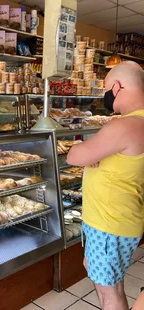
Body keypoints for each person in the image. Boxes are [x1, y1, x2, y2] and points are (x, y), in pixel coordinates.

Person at [67, 61, 144, 310]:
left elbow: (74, 156)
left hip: (108, 225)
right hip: (123, 218)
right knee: (106, 279)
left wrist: (89, 152)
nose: (106, 95)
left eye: (106, 88)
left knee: (108, 291)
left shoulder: (124, 125)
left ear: (118, 87)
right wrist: (97, 153)